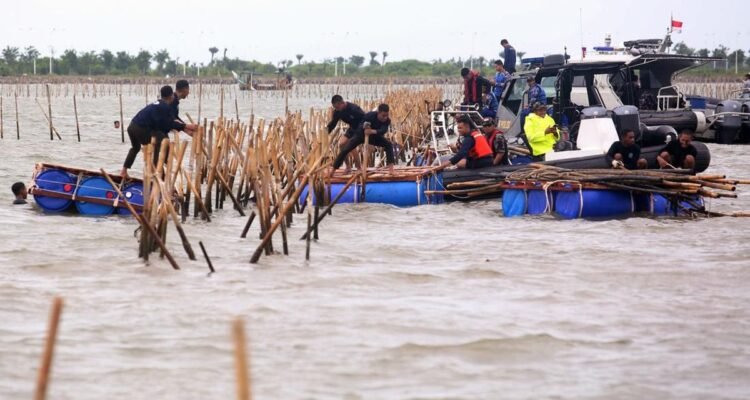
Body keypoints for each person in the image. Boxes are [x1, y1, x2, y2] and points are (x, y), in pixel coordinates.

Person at [121, 86, 198, 178]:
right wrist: (187, 126)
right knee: (163, 142)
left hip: (132, 127)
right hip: (140, 128)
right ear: (171, 96)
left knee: (136, 148)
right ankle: (156, 173)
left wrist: (185, 129)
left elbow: (167, 122)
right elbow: (169, 123)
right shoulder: (164, 107)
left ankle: (124, 171)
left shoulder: (157, 103)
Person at [331, 104, 395, 175]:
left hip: (374, 137)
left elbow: (383, 130)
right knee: (345, 149)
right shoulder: (370, 115)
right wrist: (364, 128)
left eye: (387, 115)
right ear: (378, 113)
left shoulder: (387, 120)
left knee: (388, 145)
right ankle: (333, 170)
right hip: (360, 135)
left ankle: (391, 170)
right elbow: (360, 124)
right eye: (383, 115)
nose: (385, 118)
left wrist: (372, 131)